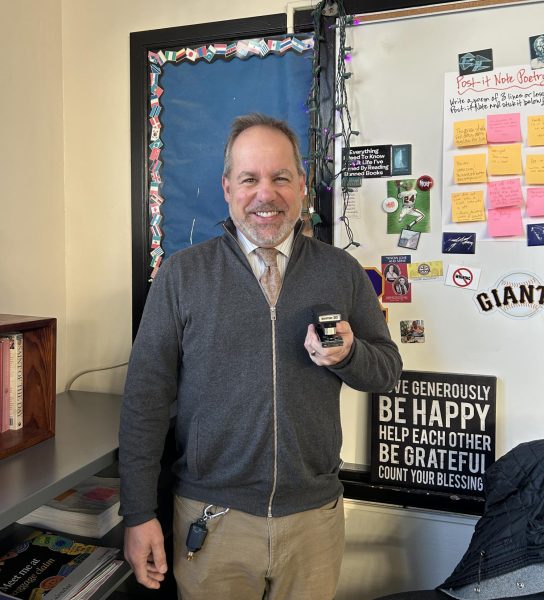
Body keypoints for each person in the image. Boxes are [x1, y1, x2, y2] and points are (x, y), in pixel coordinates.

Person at [119, 113, 402, 600]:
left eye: (280, 178)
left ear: (302, 186)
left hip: (314, 523)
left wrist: (350, 354)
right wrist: (139, 513)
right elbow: (145, 400)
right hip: (212, 521)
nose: (265, 194)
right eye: (249, 178)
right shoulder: (182, 276)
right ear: (227, 187)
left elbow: (387, 371)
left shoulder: (342, 271)